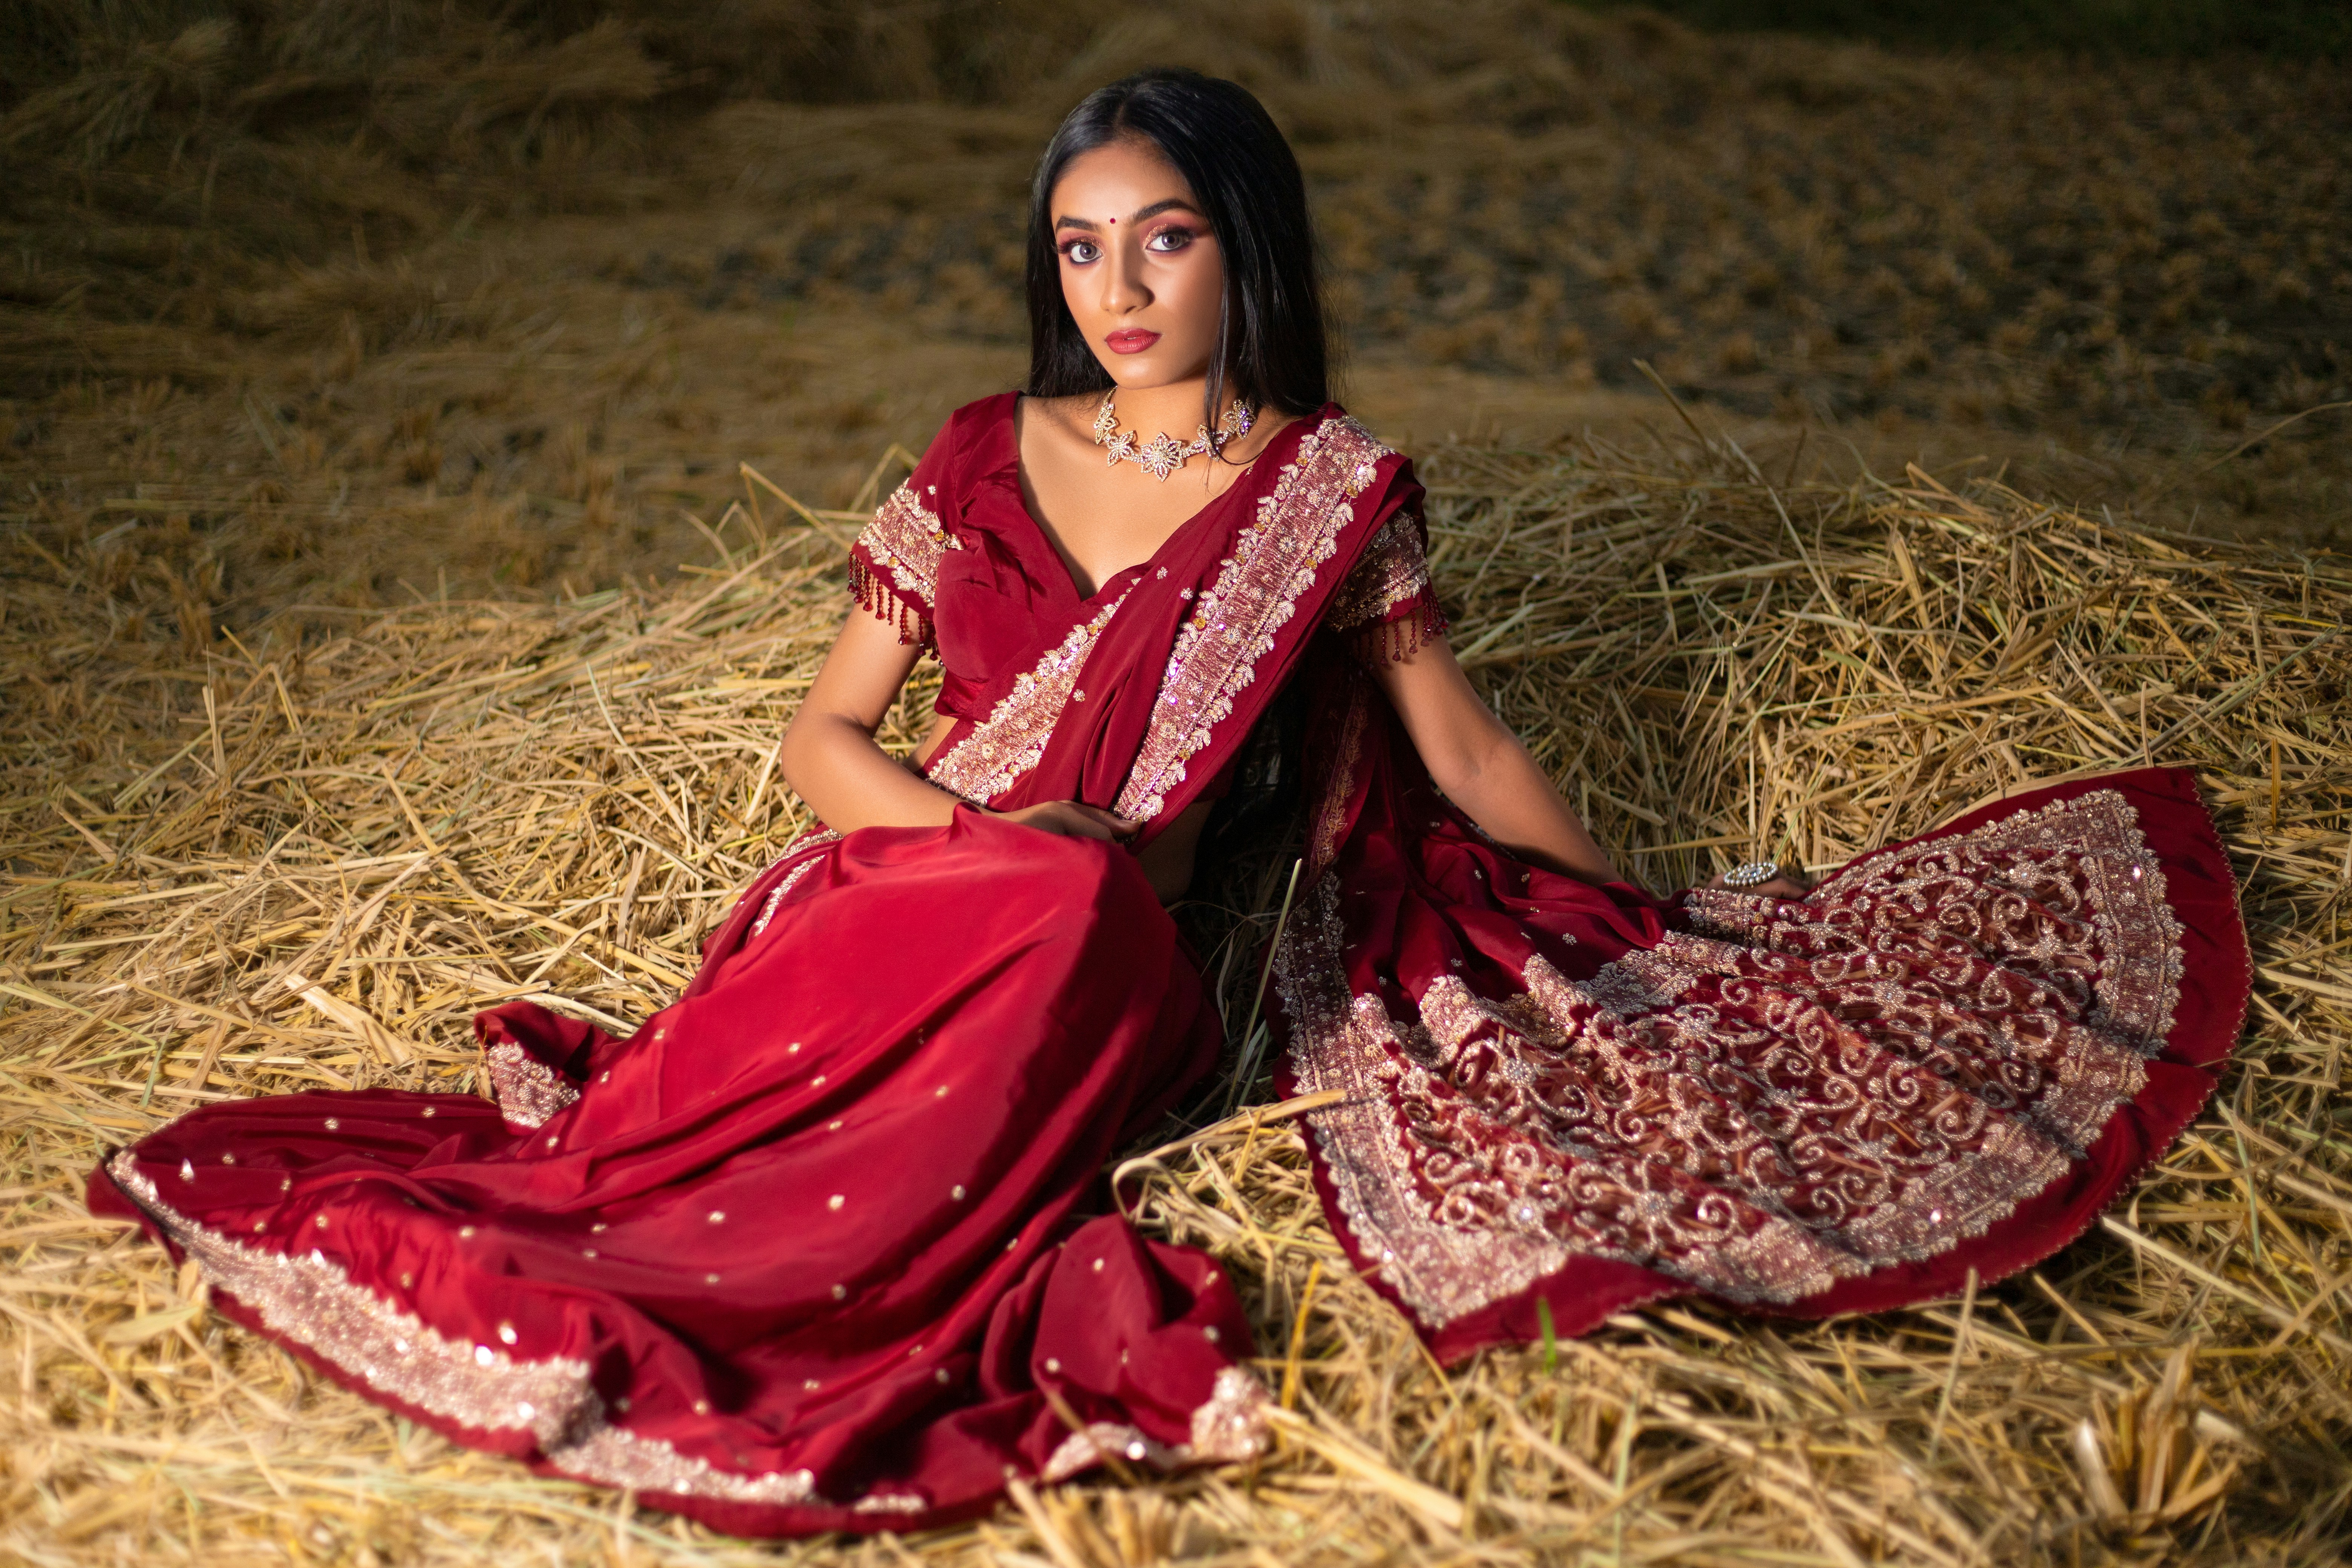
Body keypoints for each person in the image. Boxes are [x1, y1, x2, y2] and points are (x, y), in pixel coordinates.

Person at [87, 68, 2249, 1537]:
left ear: (1247, 253)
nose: (1116, 295)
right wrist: (972, 834)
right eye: (1078, 252)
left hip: (1105, 951)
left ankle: (813, 1276)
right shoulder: (965, 454)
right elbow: (822, 740)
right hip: (905, 893)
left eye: (1164, 243)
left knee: (1078, 921)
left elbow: (1462, 749)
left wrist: (1662, 906)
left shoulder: (1329, 492)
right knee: (999, 918)